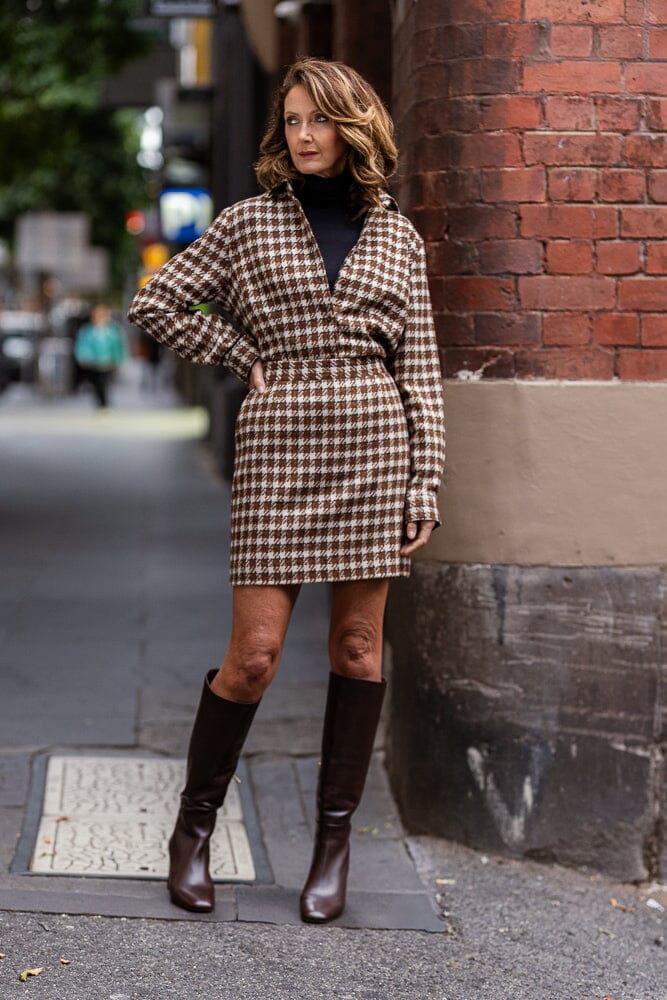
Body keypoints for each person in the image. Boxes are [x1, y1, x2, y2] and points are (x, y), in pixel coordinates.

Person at [128, 57, 445, 924]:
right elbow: (156, 303)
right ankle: (192, 832)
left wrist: (425, 480)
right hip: (277, 453)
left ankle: (331, 847)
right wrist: (238, 355)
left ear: (354, 127)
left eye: (319, 120)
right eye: (293, 120)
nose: (303, 135)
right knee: (255, 656)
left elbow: (418, 368)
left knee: (357, 650)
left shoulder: (398, 237)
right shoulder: (246, 224)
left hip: (374, 448)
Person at [74, 305, 127, 408]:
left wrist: (118, 359)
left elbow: (119, 346)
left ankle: (104, 403)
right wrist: (83, 358)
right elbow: (82, 346)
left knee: (104, 383)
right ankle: (100, 402)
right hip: (93, 363)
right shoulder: (87, 331)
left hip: (108, 362)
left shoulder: (113, 331)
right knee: (96, 383)